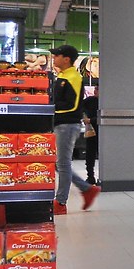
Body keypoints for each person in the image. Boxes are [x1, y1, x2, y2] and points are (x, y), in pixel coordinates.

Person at [49, 45, 100, 214]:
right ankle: (87, 189)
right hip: (60, 124)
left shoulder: (74, 77)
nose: (54, 58)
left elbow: (73, 105)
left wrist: (51, 108)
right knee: (58, 163)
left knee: (62, 164)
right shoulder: (62, 76)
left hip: (67, 125)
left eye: (57, 55)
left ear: (66, 59)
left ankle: (60, 202)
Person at [82, 93, 100, 186]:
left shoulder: (106, 102)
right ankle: (90, 177)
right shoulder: (90, 100)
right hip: (91, 131)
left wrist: (91, 120)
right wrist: (84, 116)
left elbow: (105, 115)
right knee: (89, 155)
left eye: (97, 89)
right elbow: (80, 107)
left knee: (102, 155)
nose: (95, 91)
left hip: (102, 132)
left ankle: (103, 177)